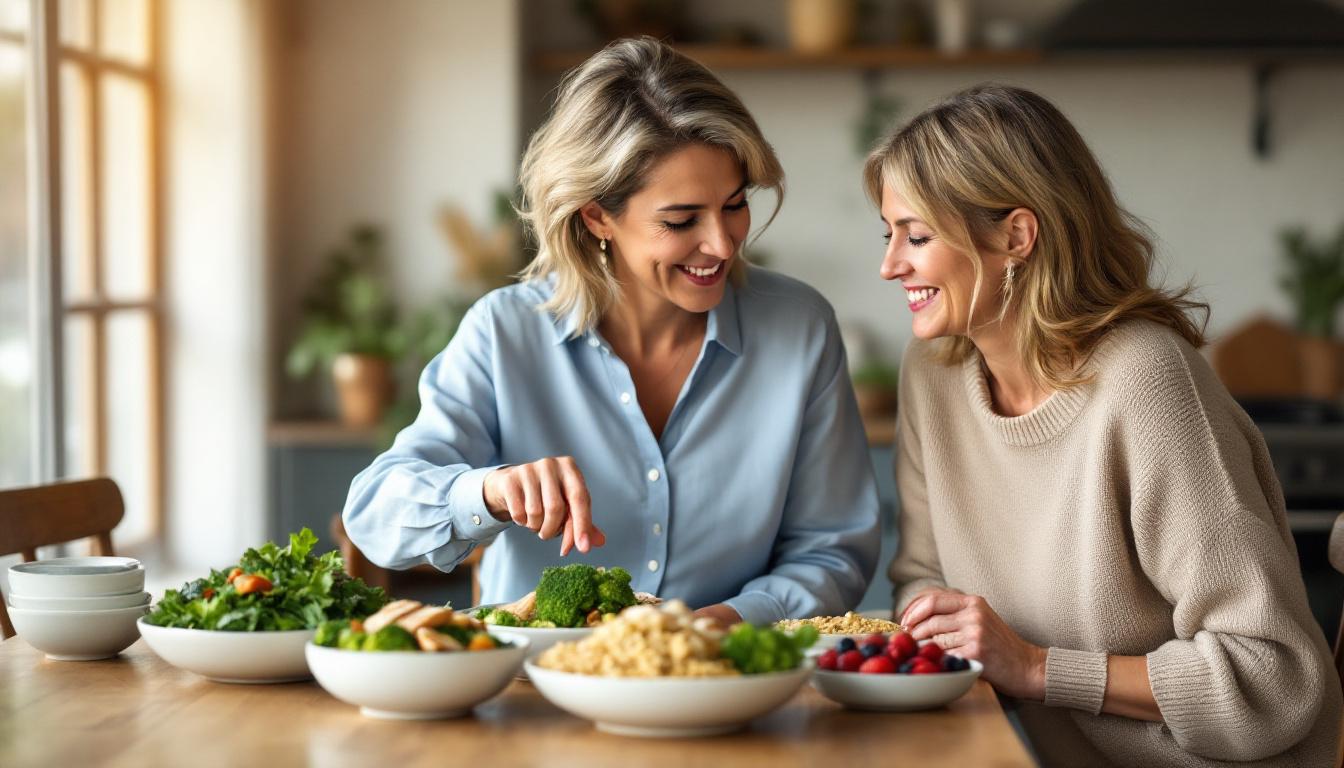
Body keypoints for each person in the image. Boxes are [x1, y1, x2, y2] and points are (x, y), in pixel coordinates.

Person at [870, 84, 1341, 766]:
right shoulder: (933, 372)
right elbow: (924, 578)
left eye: (916, 236)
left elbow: (1271, 677)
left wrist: (1034, 667)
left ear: (1015, 236)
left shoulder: (1147, 383)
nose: (890, 265)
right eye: (887, 234)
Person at [342, 37, 879, 627]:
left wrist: (719, 625)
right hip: (532, 678)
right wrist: (489, 492)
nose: (722, 244)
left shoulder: (800, 329)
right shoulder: (504, 333)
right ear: (597, 215)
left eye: (734, 205)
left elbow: (831, 552)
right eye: (681, 220)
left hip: (727, 671)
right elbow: (375, 515)